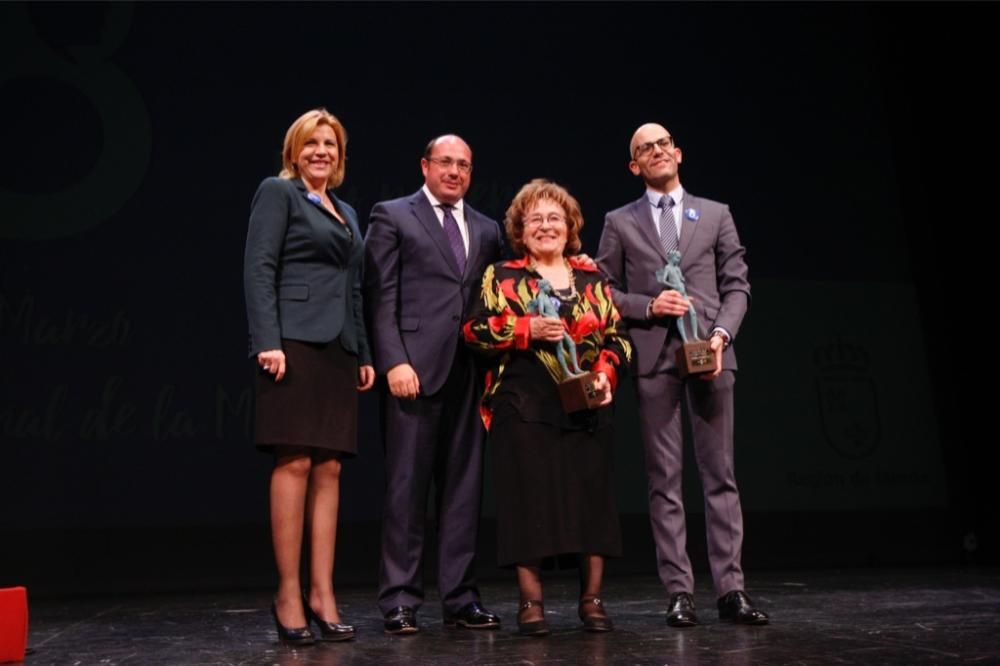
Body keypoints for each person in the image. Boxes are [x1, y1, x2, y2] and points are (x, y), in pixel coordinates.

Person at [596, 123, 768, 626]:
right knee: (664, 479)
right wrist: (648, 305)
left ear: (678, 153)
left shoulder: (716, 213)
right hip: (654, 360)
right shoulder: (619, 221)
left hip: (711, 355)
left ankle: (731, 589)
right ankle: (679, 591)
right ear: (635, 166)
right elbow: (603, 291)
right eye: (644, 149)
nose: (656, 151)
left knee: (720, 476)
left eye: (663, 143)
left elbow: (737, 285)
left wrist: (721, 336)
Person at [464, 179, 632, 636]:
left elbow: (619, 339)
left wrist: (606, 372)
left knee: (591, 501)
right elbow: (474, 332)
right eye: (534, 218)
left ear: (570, 226)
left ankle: (592, 601)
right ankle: (530, 603)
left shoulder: (593, 278)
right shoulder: (501, 276)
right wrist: (525, 329)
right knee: (527, 500)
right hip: (523, 404)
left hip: (586, 405)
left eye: (554, 217)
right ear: (520, 228)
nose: (545, 225)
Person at [244, 108, 375, 645]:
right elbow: (258, 266)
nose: (322, 151)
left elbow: (354, 287)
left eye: (331, 143)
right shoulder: (278, 193)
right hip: (294, 343)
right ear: (294, 151)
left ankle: (322, 591)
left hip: (339, 348)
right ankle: (289, 592)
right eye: (312, 143)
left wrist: (363, 351)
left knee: (330, 470)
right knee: (294, 461)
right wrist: (268, 342)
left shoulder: (344, 209)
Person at [364, 134, 505, 634]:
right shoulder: (393, 215)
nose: (454, 172)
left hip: (470, 373)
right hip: (413, 372)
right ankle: (400, 599)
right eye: (445, 162)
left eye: (464, 165)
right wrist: (393, 361)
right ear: (424, 165)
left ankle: (461, 597)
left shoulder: (487, 229)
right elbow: (381, 297)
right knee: (407, 488)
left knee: (464, 490)